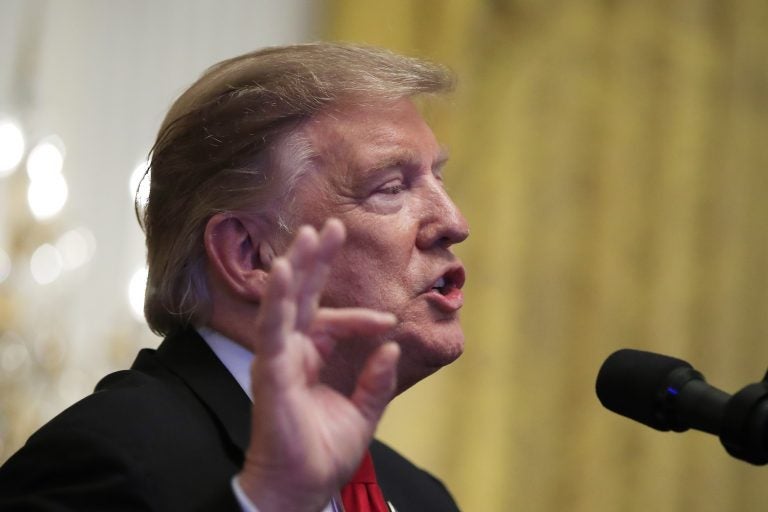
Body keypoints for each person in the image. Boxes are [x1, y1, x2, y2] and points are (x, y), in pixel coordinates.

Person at [0, 42, 469, 511]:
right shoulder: (103, 460)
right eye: (390, 188)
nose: (454, 222)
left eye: (439, 179)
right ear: (248, 254)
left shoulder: (422, 498)